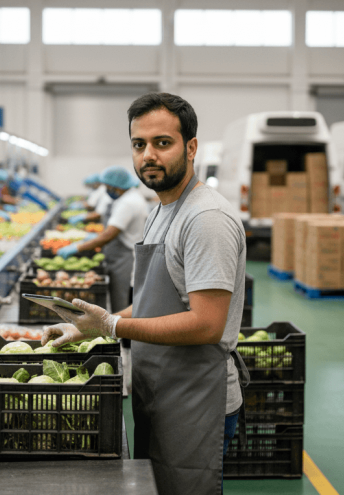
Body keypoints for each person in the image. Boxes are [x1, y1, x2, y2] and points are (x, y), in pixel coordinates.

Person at [43, 92, 249, 495]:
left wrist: (115, 326)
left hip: (197, 398)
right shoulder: (159, 209)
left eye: (162, 143)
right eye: (139, 145)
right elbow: (157, 301)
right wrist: (94, 328)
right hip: (160, 387)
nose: (148, 155)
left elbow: (207, 324)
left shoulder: (205, 218)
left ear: (191, 148)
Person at [57, 166, 148, 313]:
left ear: (115, 186)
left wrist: (78, 247)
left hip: (126, 258)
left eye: (107, 186)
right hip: (119, 254)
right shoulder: (128, 197)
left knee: (122, 300)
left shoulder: (128, 203)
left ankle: (123, 335)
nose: (105, 190)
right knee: (118, 300)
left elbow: (109, 235)